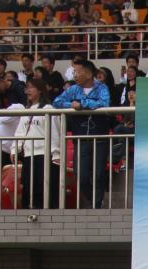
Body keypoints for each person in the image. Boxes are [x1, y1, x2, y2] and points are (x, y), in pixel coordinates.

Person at [52, 59, 111, 208]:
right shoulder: (73, 89)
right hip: (80, 137)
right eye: (74, 72)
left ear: (89, 74)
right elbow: (57, 102)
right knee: (81, 174)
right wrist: (71, 105)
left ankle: (97, 204)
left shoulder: (101, 87)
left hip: (100, 137)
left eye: (78, 72)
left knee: (98, 173)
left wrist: (83, 104)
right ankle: (92, 199)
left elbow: (104, 103)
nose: (75, 75)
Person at [13, 78, 61, 209]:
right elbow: (20, 132)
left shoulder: (48, 108)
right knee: (29, 189)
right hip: (28, 155)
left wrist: (56, 154)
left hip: (44, 155)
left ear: (40, 90)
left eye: (31, 88)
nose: (27, 91)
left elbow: (55, 132)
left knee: (45, 189)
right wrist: (15, 148)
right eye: (26, 88)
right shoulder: (26, 110)